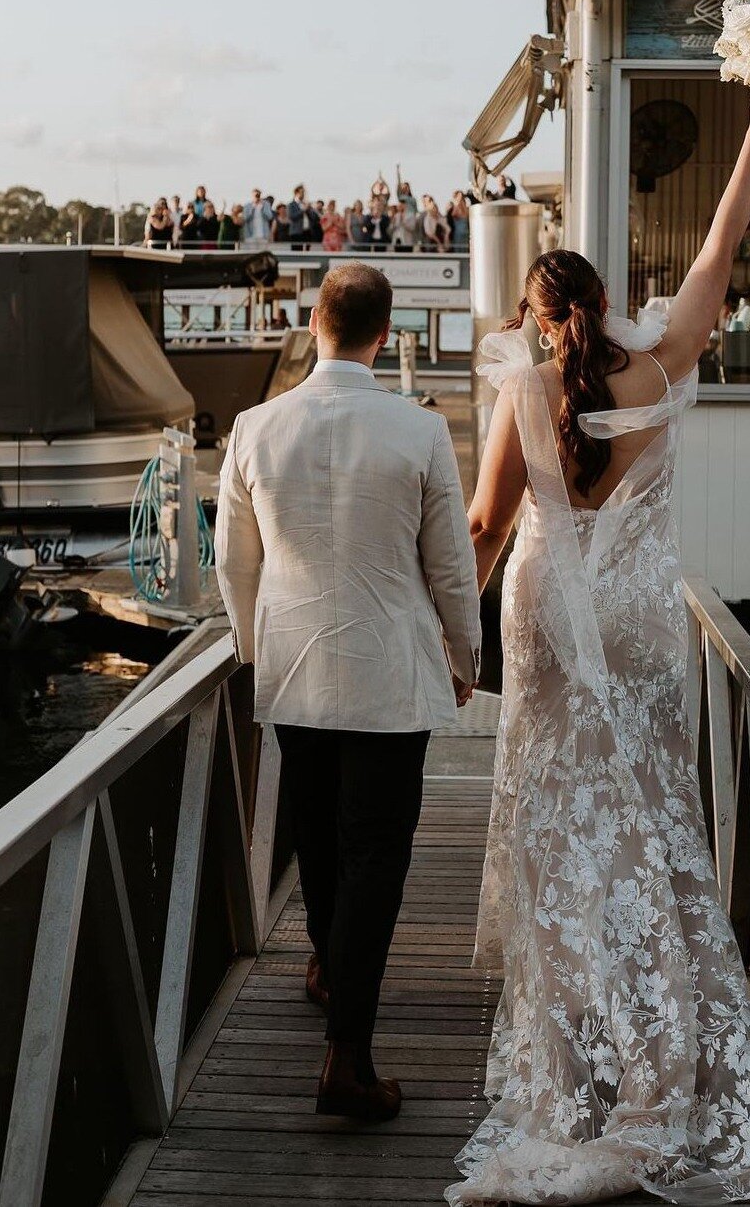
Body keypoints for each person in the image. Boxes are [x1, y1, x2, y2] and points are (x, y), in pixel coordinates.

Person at [449, 98, 750, 1206]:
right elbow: (720, 244)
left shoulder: (524, 389)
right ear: (602, 302)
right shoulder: (662, 361)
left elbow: (487, 528)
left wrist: (452, 633)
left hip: (547, 614)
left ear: (535, 314)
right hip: (642, 613)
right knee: (647, 804)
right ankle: (661, 1035)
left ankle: (572, 1045)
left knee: (557, 813)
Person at [216, 263, 481, 1124]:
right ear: (384, 331)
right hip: (388, 671)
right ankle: (349, 1057)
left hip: (293, 668)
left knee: (323, 840)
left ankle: (329, 970)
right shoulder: (417, 429)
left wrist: (254, 649)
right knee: (376, 852)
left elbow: (233, 562)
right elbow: (449, 563)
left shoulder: (255, 426)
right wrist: (465, 651)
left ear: (315, 322)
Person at [289, 184, 316, 250]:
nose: (303, 194)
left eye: (304, 192)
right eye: (301, 192)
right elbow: (292, 217)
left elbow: (313, 218)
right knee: (297, 252)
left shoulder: (306, 204)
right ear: (296, 193)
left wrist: (309, 209)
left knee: (307, 251)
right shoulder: (292, 205)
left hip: (307, 232)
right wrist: (303, 210)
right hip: (296, 233)